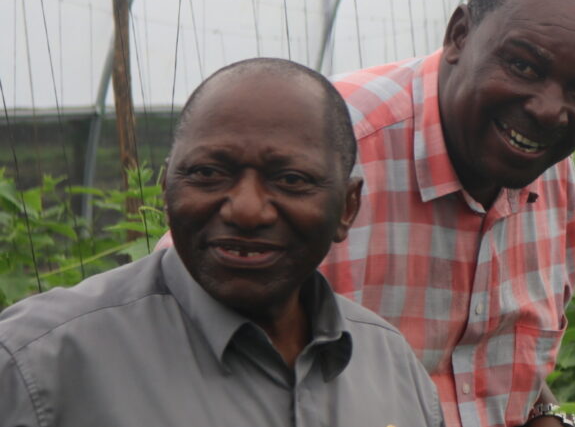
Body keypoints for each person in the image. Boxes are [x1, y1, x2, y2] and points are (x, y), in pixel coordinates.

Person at [0, 58, 443, 426]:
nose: (246, 210)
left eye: (290, 180)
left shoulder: (390, 366)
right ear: (166, 185)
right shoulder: (39, 364)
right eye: (208, 173)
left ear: (347, 208)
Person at [319, 0, 575, 427]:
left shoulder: (553, 174)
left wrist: (551, 417)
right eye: (524, 66)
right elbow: (185, 333)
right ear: (460, 35)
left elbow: (505, 369)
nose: (549, 110)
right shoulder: (330, 145)